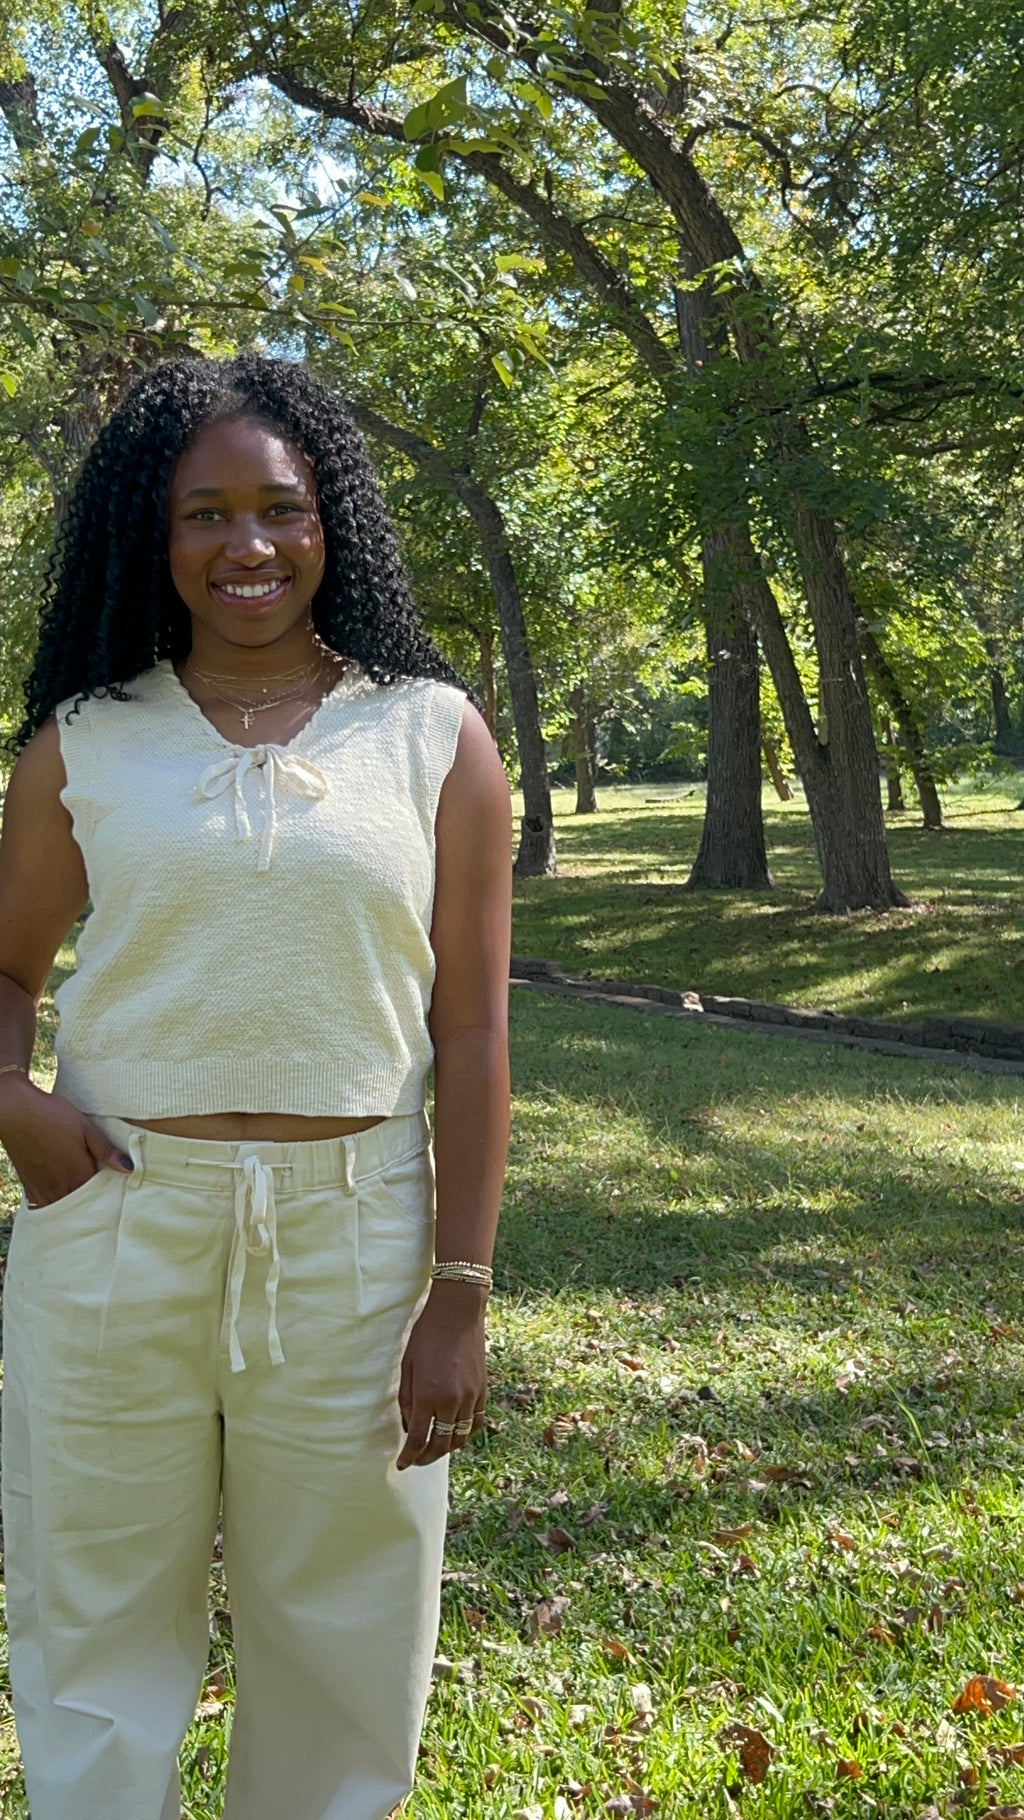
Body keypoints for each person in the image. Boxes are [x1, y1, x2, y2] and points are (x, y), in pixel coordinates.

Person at [0, 354, 512, 1820]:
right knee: (94, 1614)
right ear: (149, 540)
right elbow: (4, 971)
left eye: (280, 510)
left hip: (356, 1237)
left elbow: (471, 1030)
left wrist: (460, 1289)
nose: (248, 547)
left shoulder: (429, 732)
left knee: (349, 1629)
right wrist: (18, 1109)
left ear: (329, 521)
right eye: (203, 514)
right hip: (113, 1220)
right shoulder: (86, 741)